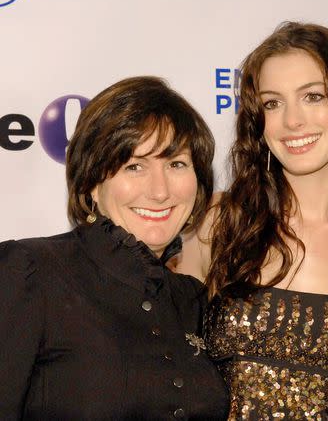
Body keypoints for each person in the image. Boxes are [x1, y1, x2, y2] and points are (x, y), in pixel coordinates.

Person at [181, 21, 328, 419]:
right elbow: (167, 375)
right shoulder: (219, 223)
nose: (292, 121)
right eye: (273, 103)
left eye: (313, 96)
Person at [0, 76, 229, 419]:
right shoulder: (31, 270)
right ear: (92, 183)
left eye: (176, 164)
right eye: (134, 166)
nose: (160, 191)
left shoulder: (193, 300)